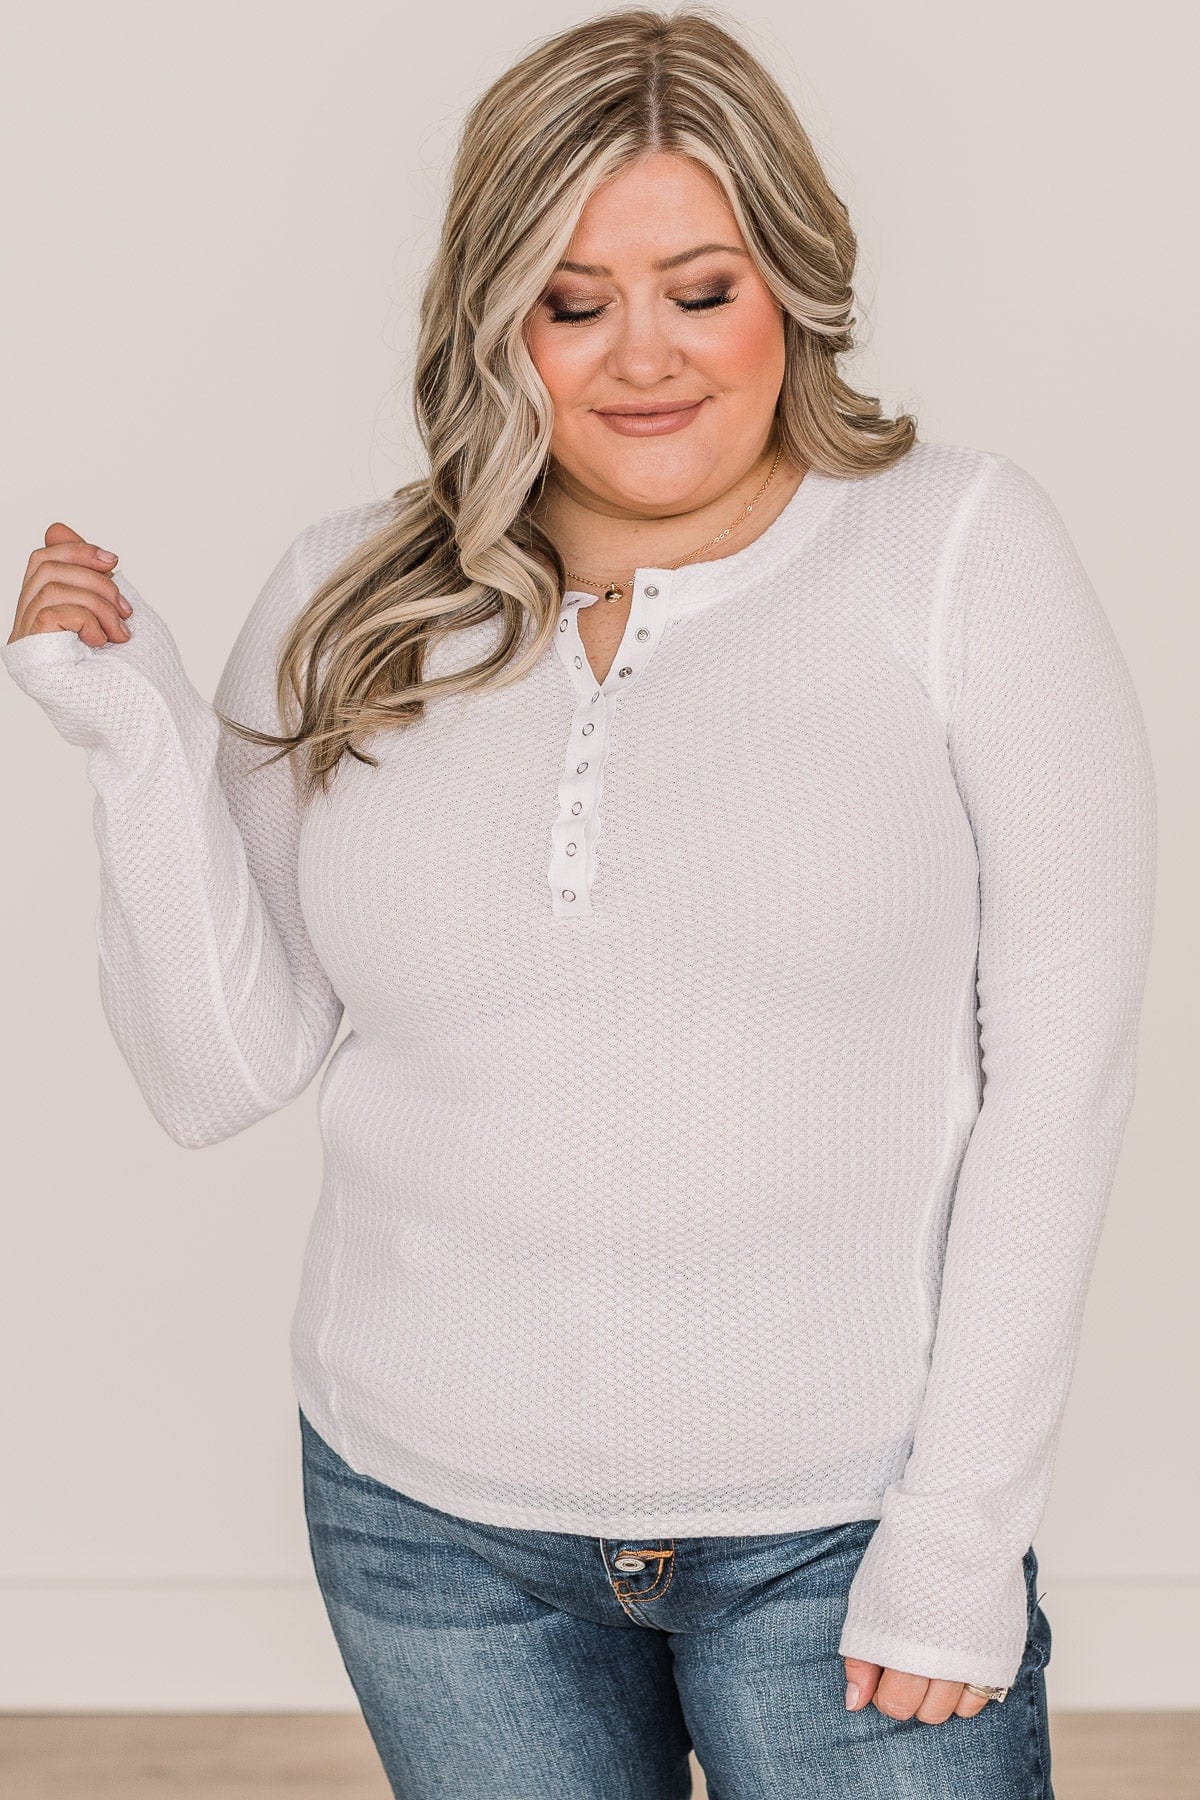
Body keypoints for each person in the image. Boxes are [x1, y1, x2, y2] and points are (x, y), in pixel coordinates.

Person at [4, 8, 1155, 1797]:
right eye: (571, 300)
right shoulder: (353, 595)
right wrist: (134, 740)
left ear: (793, 286)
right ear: (496, 319)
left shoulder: (958, 554)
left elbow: (1059, 1085)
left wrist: (962, 1525)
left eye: (701, 289)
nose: (645, 358)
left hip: (845, 1524)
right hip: (430, 1533)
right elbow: (218, 1069)